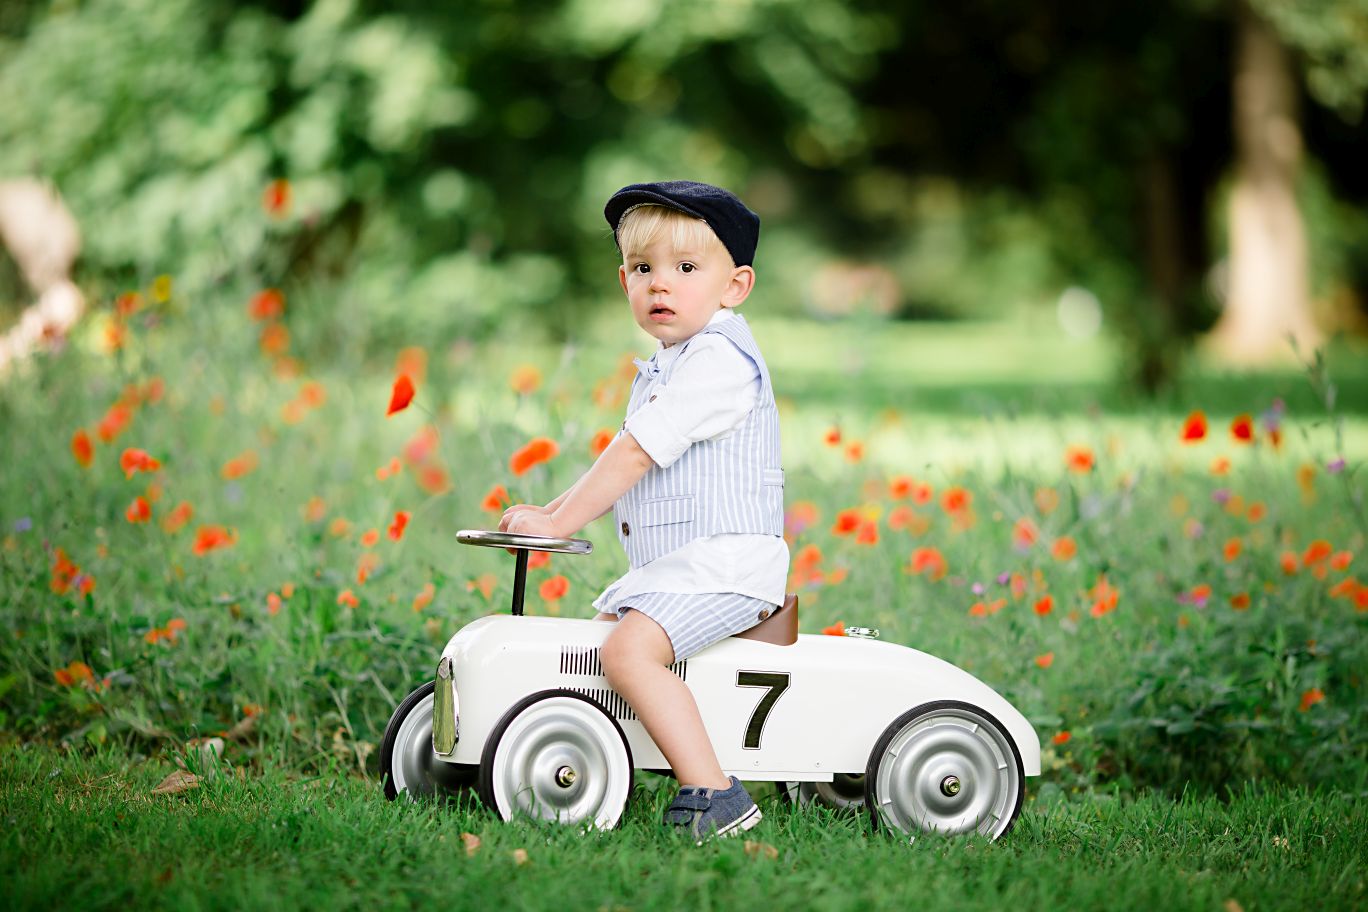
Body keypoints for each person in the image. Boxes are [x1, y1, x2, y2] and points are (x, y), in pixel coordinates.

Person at [500, 180, 789, 842]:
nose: (660, 284)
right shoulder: (672, 361)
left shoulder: (720, 360)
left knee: (627, 652)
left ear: (735, 286)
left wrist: (559, 524)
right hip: (679, 571)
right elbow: (628, 454)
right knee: (589, 647)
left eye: (686, 268)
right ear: (623, 279)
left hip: (725, 566)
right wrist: (551, 510)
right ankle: (587, 763)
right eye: (642, 268)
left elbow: (635, 453)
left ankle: (715, 793)